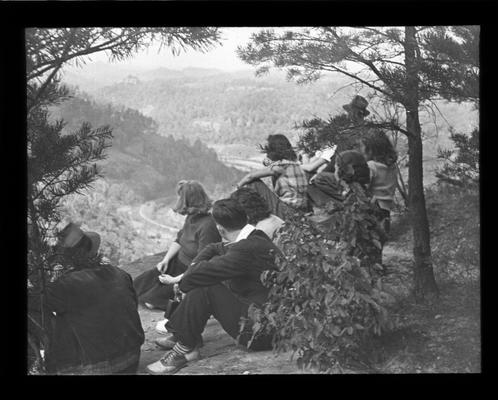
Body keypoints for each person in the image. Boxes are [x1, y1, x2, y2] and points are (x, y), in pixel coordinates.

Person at [145, 199, 281, 375]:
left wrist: (185, 280)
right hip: (268, 320)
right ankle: (184, 336)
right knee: (201, 282)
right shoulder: (255, 237)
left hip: (262, 333)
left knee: (205, 288)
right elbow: (214, 247)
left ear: (220, 229)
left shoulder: (244, 250)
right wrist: (192, 271)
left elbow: (195, 276)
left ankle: (185, 348)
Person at [37, 222, 145, 374]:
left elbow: (38, 307)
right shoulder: (120, 273)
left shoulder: (65, 285)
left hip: (97, 368)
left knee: (49, 317)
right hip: (131, 359)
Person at [133, 180, 221, 334]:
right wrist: (165, 260)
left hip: (189, 271)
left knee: (150, 300)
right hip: (176, 263)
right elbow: (180, 239)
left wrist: (176, 279)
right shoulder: (191, 218)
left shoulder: (207, 226)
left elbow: (202, 262)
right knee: (138, 285)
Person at [307, 95, 371, 209]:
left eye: (349, 113)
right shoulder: (368, 133)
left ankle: (340, 205)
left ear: (352, 114)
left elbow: (337, 160)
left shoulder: (349, 136)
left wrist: (319, 173)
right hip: (366, 175)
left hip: (351, 177)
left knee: (316, 180)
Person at [236, 134, 309, 220]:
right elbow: (267, 162)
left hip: (287, 211)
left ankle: (239, 213)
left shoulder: (279, 167)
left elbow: (250, 176)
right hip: (302, 210)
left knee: (254, 183)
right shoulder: (295, 163)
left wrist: (237, 187)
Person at [360, 129, 398, 237]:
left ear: (370, 150)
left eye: (362, 147)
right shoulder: (391, 166)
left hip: (373, 209)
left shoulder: (371, 166)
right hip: (385, 210)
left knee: (367, 243)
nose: (361, 150)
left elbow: (363, 189)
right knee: (378, 243)